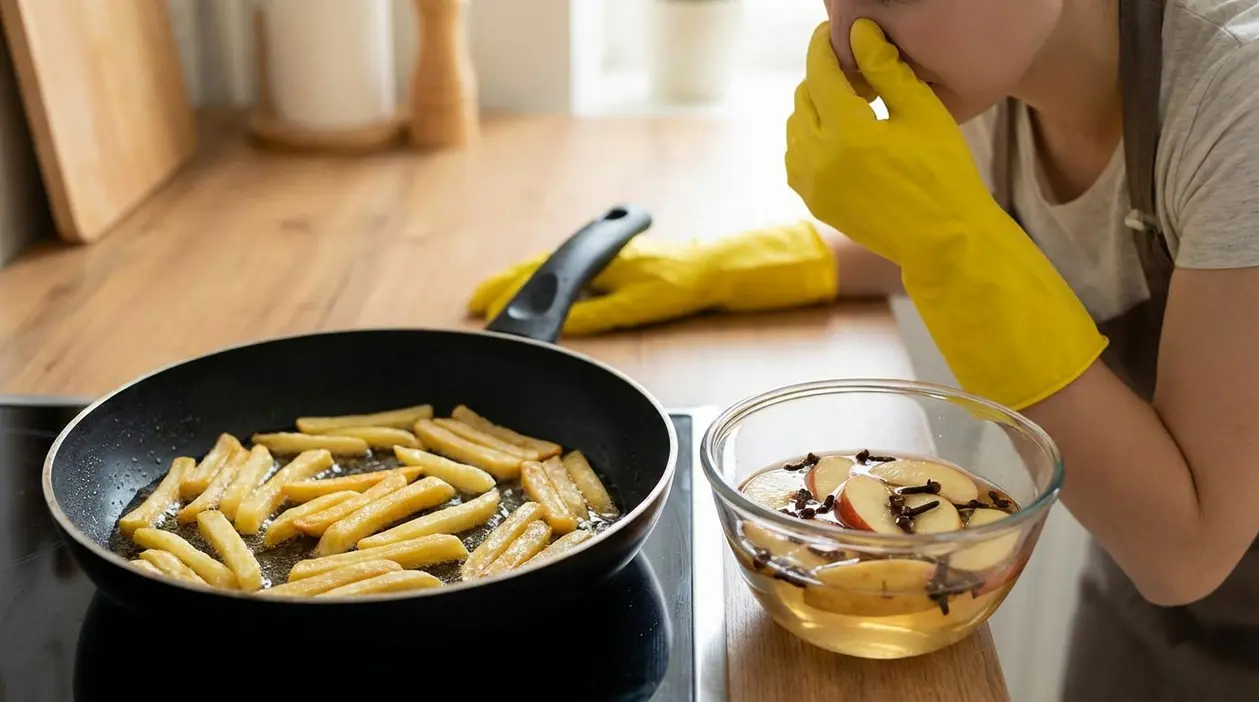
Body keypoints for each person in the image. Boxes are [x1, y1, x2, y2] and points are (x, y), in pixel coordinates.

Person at [468, 0, 1259, 697]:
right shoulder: (994, 69)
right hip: (1133, 574)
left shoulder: (1238, 95)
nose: (852, 37)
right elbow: (998, 240)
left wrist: (952, 247)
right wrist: (735, 271)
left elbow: (1183, 551)